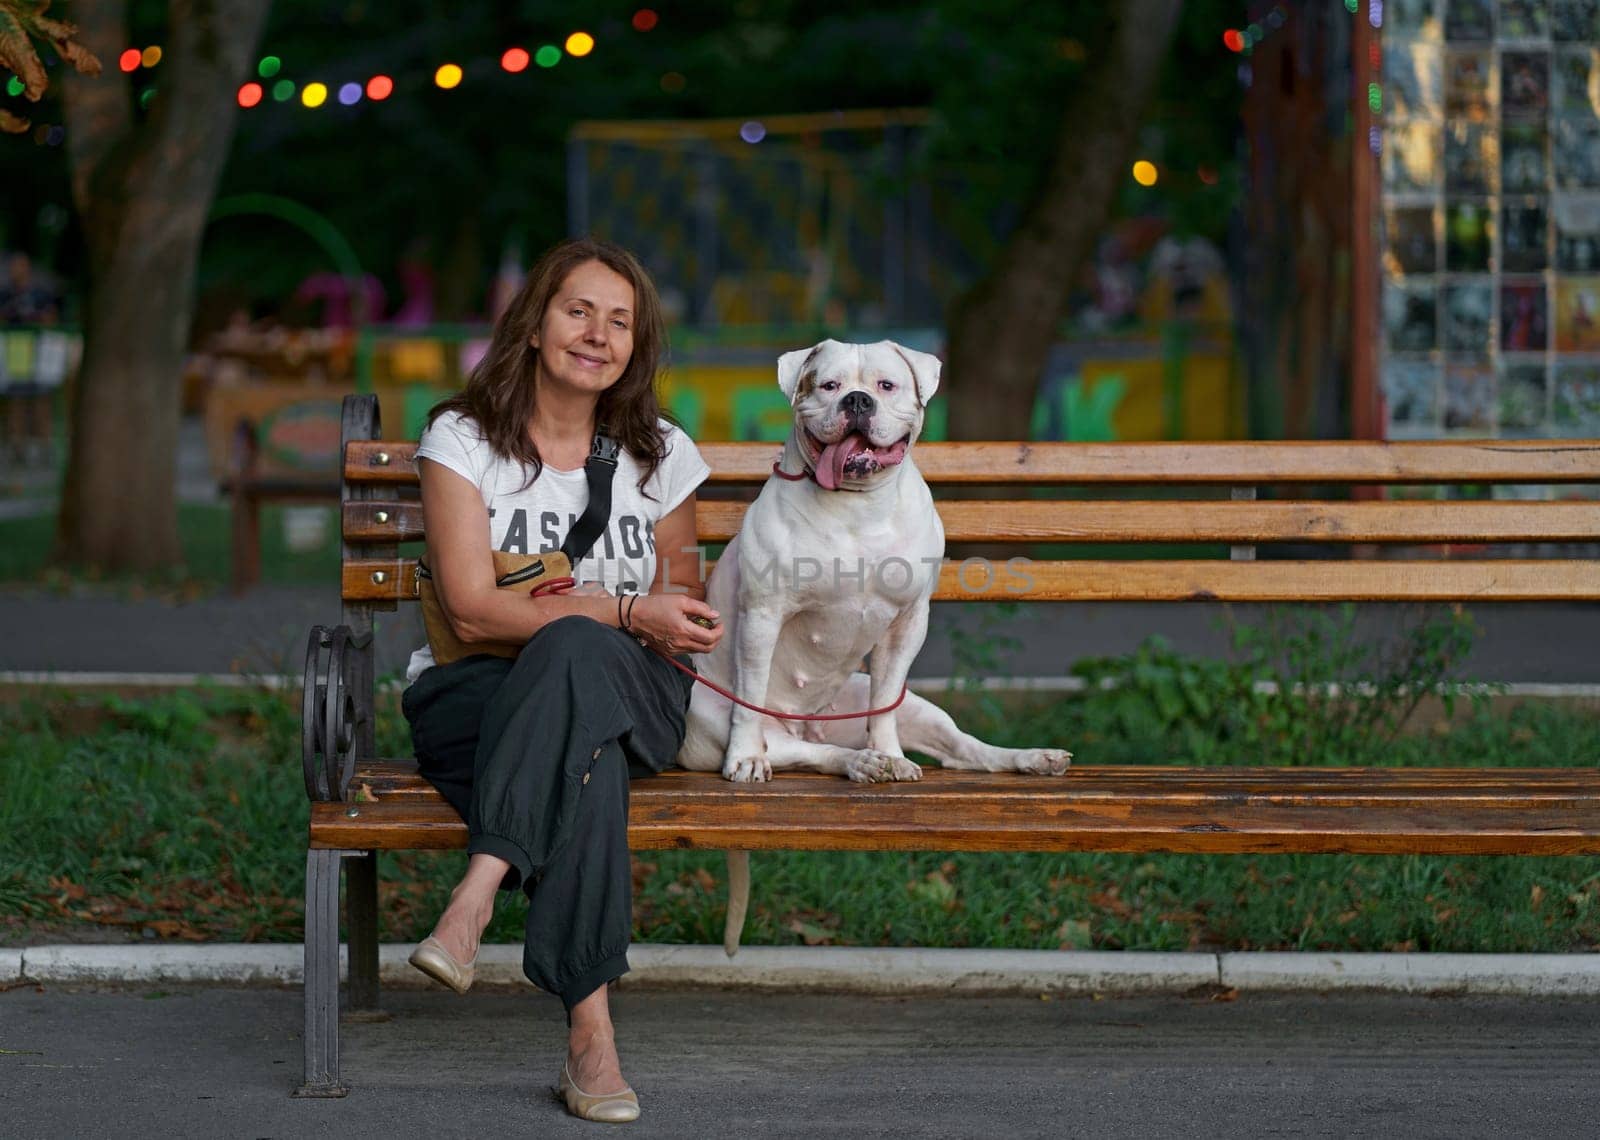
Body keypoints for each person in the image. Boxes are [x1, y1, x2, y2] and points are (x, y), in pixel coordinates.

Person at [399, 238, 723, 1123]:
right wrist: (616, 610)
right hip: (476, 693)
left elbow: (681, 602)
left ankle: (476, 896)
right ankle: (592, 1037)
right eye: (579, 310)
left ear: (637, 345)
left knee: (580, 653)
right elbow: (469, 611)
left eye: (620, 321)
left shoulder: (661, 454)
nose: (598, 334)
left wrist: (643, 617)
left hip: (636, 689)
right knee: (590, 752)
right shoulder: (463, 439)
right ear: (536, 323)